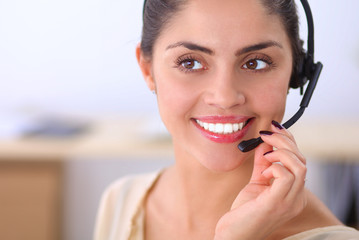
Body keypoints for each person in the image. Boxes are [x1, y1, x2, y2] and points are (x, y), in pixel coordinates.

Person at [94, 0, 359, 239]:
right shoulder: (121, 200)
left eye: (255, 63)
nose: (224, 97)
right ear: (147, 69)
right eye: (190, 63)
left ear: (296, 74)